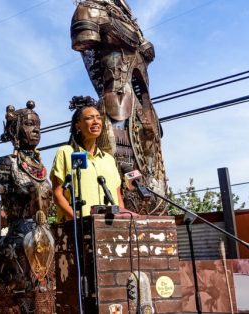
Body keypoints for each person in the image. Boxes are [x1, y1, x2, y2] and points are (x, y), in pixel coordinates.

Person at [71, 0, 167, 214]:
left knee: (153, 176)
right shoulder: (89, 10)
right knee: (120, 167)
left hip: (143, 107)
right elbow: (85, 42)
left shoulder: (131, 21)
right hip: (117, 104)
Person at [0, 101, 55, 313]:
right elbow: (0, 194)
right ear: (15, 129)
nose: (36, 130)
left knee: (45, 294)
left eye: (38, 125)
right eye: (29, 124)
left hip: (44, 235)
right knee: (19, 298)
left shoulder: (40, 166)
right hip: (19, 237)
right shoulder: (7, 163)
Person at [51, 96, 125, 222]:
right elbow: (58, 194)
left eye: (98, 117)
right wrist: (77, 219)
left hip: (109, 229)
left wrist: (121, 221)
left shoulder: (109, 159)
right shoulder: (66, 152)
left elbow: (118, 197)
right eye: (89, 118)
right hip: (76, 230)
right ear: (78, 126)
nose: (96, 121)